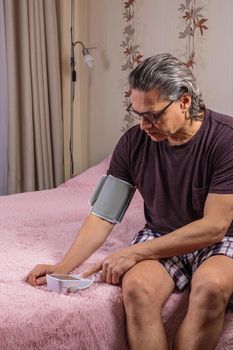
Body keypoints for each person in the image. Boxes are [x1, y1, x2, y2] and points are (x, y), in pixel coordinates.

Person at [26, 53, 233, 350]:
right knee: (136, 289)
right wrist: (64, 266)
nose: (144, 124)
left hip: (221, 240)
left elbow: (214, 227)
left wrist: (134, 253)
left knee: (212, 288)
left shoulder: (226, 140)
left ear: (184, 102)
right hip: (162, 234)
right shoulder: (133, 142)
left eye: (154, 115)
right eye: (138, 114)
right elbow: (103, 215)